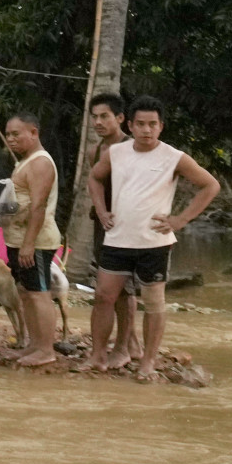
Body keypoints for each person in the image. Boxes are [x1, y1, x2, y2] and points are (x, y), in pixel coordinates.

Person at [87, 96, 221, 379]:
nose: (146, 130)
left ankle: (148, 361)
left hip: (154, 242)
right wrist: (101, 210)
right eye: (141, 124)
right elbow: (95, 178)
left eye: (152, 124)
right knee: (103, 296)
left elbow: (210, 185)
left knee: (154, 303)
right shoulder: (115, 153)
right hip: (117, 239)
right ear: (131, 125)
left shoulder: (174, 157)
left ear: (161, 126)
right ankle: (97, 355)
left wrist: (180, 220)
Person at [1, 110, 64, 365]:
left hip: (36, 241)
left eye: (16, 134)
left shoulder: (40, 162)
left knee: (39, 292)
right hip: (17, 238)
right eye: (7, 135)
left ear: (34, 132)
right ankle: (34, 344)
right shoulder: (24, 161)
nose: (11, 139)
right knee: (25, 291)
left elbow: (38, 206)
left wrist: (28, 244)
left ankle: (46, 349)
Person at [85, 91, 141, 361]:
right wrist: (101, 211)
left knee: (125, 289)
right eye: (94, 117)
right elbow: (95, 184)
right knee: (108, 290)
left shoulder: (134, 147)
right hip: (102, 226)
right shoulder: (94, 151)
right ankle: (128, 344)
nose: (98, 122)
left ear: (120, 118)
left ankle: (125, 347)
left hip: (128, 230)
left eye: (104, 116)